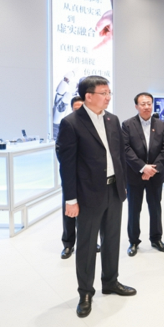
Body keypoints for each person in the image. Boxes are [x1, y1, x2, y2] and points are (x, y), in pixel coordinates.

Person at [57, 76, 136, 319]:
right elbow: (67, 165)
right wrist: (71, 199)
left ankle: (110, 281)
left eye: (109, 92)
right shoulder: (71, 123)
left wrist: (123, 186)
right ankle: (85, 292)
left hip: (114, 190)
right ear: (88, 96)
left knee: (112, 239)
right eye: (103, 93)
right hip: (88, 193)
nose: (108, 97)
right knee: (88, 244)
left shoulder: (112, 120)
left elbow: (119, 156)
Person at [121, 92, 164, 257]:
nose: (147, 107)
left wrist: (152, 170)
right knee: (134, 209)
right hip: (135, 175)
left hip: (155, 175)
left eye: (149, 103)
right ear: (136, 106)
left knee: (155, 208)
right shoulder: (127, 125)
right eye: (143, 104)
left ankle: (156, 239)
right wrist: (142, 168)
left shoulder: (161, 125)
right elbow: (125, 149)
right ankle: (133, 241)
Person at [57, 95, 101, 259]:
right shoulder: (68, 124)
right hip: (72, 177)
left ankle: (91, 241)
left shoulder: (94, 126)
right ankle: (68, 244)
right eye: (76, 109)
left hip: (90, 179)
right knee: (69, 212)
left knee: (90, 213)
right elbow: (62, 154)